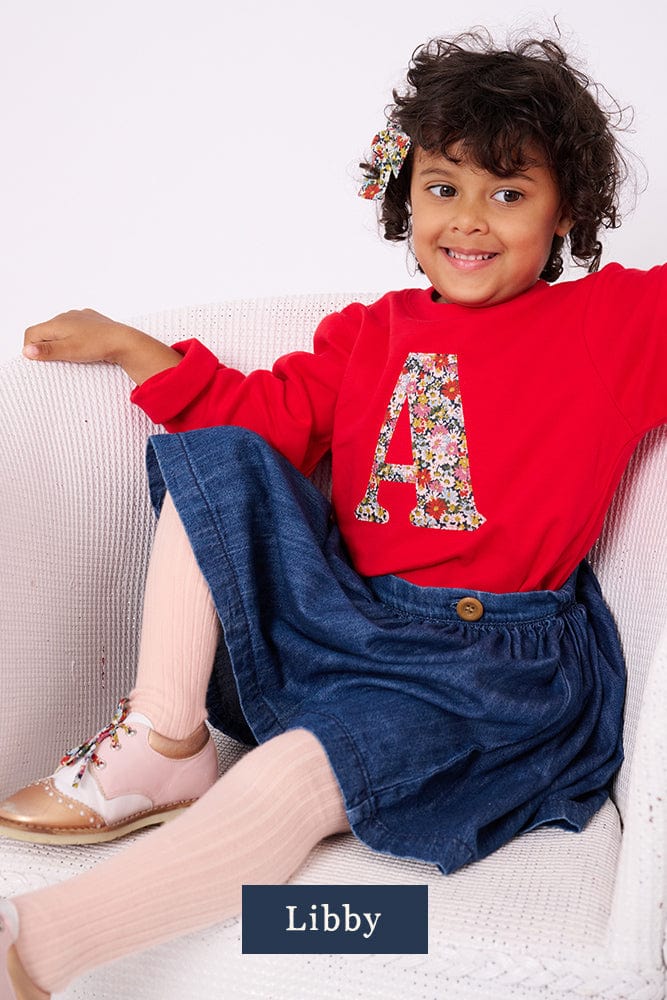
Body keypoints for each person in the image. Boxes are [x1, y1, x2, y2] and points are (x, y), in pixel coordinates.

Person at [1, 29, 665, 1000]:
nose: (468, 219)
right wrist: (136, 348)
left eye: (509, 193)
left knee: (291, 778)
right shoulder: (368, 334)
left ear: (567, 211)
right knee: (219, 458)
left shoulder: (611, 325)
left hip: (484, 673)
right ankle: (164, 739)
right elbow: (255, 421)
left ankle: (33, 950)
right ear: (405, 196)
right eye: (442, 186)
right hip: (346, 624)